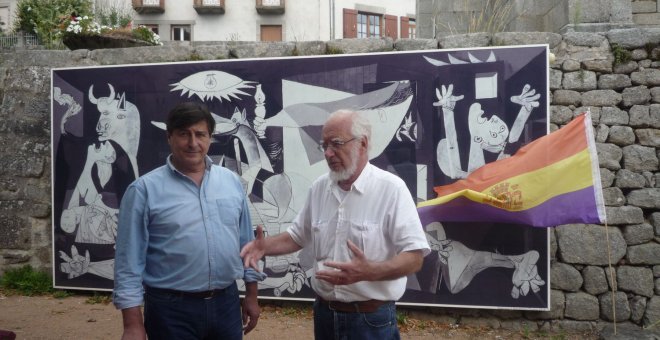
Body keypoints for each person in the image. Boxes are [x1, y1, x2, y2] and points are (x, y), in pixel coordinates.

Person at [241, 109, 430, 340]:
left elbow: (414, 257)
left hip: (371, 321)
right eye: (324, 145)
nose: (328, 153)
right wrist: (264, 247)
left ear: (363, 143)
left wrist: (371, 271)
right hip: (325, 316)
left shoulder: (391, 189)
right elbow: (297, 236)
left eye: (337, 143)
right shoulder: (320, 188)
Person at [113, 102, 263, 340]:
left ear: (210, 138)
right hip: (171, 311)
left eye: (200, 134)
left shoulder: (232, 183)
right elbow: (128, 262)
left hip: (226, 305)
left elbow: (247, 244)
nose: (193, 143)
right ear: (169, 137)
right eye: (184, 134)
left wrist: (252, 295)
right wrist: (132, 324)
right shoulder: (143, 191)